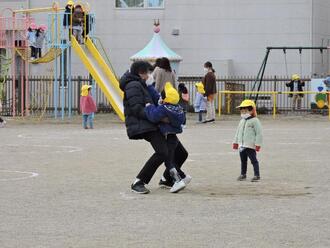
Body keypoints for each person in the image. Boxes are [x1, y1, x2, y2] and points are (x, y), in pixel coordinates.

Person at [119, 61, 190, 194]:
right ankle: (138, 182)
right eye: (147, 72)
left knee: (181, 153)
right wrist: (158, 116)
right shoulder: (133, 85)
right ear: (141, 73)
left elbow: (156, 98)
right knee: (163, 152)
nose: (149, 75)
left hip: (155, 122)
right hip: (144, 124)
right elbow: (136, 109)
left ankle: (167, 179)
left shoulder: (143, 84)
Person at [144, 82, 187, 193]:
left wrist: (149, 106)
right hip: (173, 137)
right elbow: (183, 121)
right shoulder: (179, 108)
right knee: (171, 158)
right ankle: (183, 176)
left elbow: (153, 116)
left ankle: (178, 180)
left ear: (165, 98)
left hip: (166, 136)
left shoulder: (164, 108)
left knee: (168, 161)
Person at [232, 100, 263, 182]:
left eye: (245, 111)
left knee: (254, 161)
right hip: (241, 145)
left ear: (251, 110)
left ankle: (257, 175)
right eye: (242, 111)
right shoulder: (242, 121)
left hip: (250, 145)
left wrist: (258, 144)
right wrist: (235, 142)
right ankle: (243, 174)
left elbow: (259, 133)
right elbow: (238, 132)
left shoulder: (255, 121)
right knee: (243, 161)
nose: (243, 113)